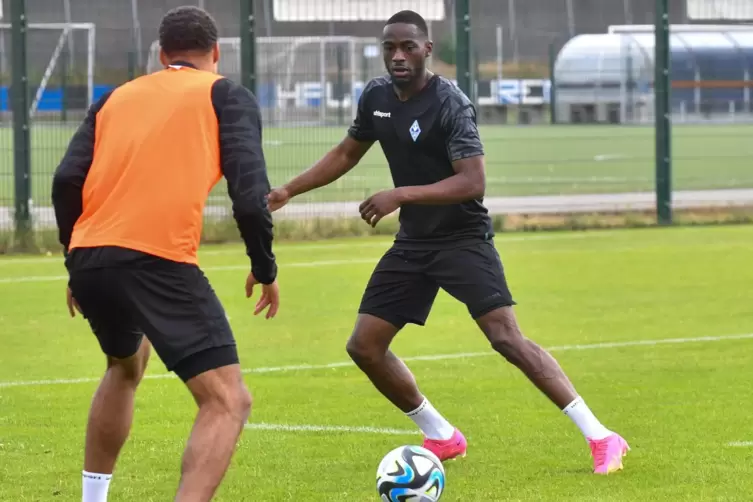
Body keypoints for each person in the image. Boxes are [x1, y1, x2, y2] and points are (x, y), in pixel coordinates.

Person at [267, 9, 628, 475]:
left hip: (462, 238)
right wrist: (288, 190)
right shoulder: (376, 96)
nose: (398, 56)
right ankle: (442, 435)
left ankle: (601, 436)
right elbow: (345, 152)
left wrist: (400, 194)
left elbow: (472, 182)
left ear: (427, 50)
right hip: (414, 243)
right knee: (365, 347)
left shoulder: (449, 103)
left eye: (408, 47)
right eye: (390, 48)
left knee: (506, 338)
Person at [51, 6, 280, 502]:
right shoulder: (225, 94)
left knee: (125, 366)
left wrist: (75, 256)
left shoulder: (116, 96)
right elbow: (250, 196)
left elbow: (66, 180)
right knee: (227, 400)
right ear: (215, 53)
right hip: (156, 260)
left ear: (161, 55)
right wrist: (264, 267)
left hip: (91, 257)